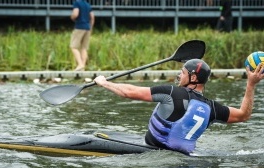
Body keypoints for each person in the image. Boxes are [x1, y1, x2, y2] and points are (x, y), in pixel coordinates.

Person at [94, 59, 264, 155]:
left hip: (155, 152)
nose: (179, 75)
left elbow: (130, 92)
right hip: (185, 157)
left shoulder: (171, 93)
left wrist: (104, 83)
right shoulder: (211, 108)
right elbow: (244, 115)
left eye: (182, 72)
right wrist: (251, 84)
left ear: (193, 77)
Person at [70, 0, 95, 71]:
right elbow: (92, 17)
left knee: (73, 47)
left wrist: (72, 17)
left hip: (79, 27)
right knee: (84, 48)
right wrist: (91, 28)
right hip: (87, 27)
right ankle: (83, 66)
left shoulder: (77, 3)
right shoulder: (87, 4)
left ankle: (80, 64)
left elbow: (75, 14)